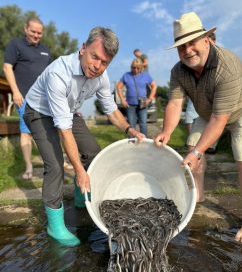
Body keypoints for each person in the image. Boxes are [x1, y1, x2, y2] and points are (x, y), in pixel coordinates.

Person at [23, 27, 145, 247]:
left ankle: (81, 195)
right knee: (56, 166)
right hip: (39, 111)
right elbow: (64, 129)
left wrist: (130, 129)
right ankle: (55, 225)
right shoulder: (58, 73)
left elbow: (111, 110)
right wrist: (78, 170)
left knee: (92, 152)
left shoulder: (101, 76)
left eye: (104, 62)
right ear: (83, 49)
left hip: (67, 110)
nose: (97, 66)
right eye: (94, 57)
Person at [155, 11, 242, 243]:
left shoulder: (226, 67)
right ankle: (197, 197)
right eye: (182, 46)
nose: (187, 50)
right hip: (208, 111)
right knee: (192, 148)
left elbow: (220, 121)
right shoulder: (178, 71)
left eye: (192, 43)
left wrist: (199, 151)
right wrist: (167, 131)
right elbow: (175, 102)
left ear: (209, 40)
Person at [3, 17, 51, 179]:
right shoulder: (15, 45)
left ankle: (51, 163)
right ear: (26, 29)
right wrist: (15, 92)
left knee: (48, 130)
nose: (36, 35)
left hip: (44, 99)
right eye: (33, 32)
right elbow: (7, 67)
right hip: (24, 97)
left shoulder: (45, 49)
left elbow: (50, 74)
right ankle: (29, 166)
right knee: (26, 132)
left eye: (39, 33)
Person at [116, 58, 157, 136]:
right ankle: (132, 143)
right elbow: (118, 87)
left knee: (143, 125)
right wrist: (122, 100)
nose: (135, 70)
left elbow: (154, 85)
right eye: (134, 67)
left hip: (143, 103)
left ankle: (144, 143)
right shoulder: (126, 75)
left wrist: (150, 98)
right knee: (131, 125)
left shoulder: (146, 75)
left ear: (141, 68)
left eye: (138, 68)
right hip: (130, 105)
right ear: (131, 67)